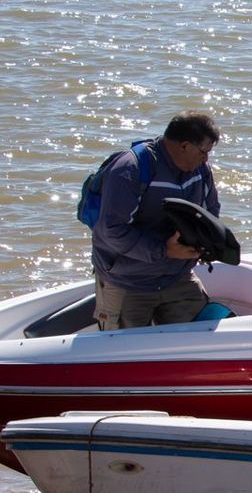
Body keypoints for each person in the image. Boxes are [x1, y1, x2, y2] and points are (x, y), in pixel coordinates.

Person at [91, 110, 221, 330]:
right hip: (127, 280)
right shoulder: (130, 169)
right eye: (204, 152)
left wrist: (205, 242)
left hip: (176, 276)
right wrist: (164, 250)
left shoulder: (201, 171)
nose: (206, 159)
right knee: (126, 355)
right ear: (184, 146)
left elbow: (211, 212)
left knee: (198, 340)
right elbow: (111, 230)